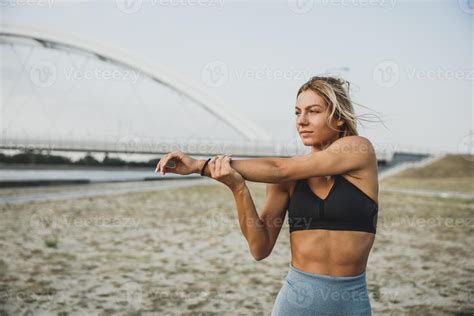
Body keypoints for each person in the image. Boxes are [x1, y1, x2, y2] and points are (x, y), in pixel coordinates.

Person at [155, 76, 379, 315]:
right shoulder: (286, 180)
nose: (301, 121)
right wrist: (238, 188)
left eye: (313, 111)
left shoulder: (360, 150)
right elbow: (259, 248)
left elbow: (279, 168)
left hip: (350, 305)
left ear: (339, 117)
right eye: (296, 113)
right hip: (294, 304)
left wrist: (199, 165)